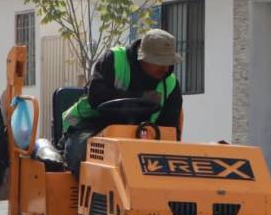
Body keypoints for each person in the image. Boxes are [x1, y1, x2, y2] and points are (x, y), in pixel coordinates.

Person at [61, 29, 183, 176]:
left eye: (169, 62)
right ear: (142, 57)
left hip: (143, 133)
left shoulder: (170, 84)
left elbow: (169, 128)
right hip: (93, 125)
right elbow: (96, 96)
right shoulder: (114, 59)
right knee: (80, 154)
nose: (166, 68)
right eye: (160, 62)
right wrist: (140, 97)